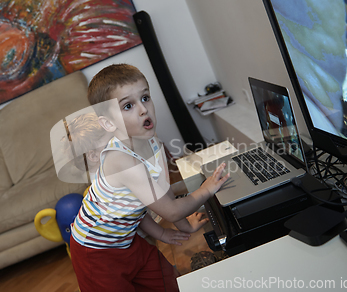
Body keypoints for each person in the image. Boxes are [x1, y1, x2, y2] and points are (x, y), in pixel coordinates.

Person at [69, 64, 229, 292]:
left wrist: (181, 228)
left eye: (145, 97)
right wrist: (205, 189)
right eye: (128, 105)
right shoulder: (120, 159)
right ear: (108, 123)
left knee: (166, 279)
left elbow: (158, 194)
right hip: (96, 250)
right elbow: (171, 210)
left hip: (127, 237)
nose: (143, 110)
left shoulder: (151, 142)